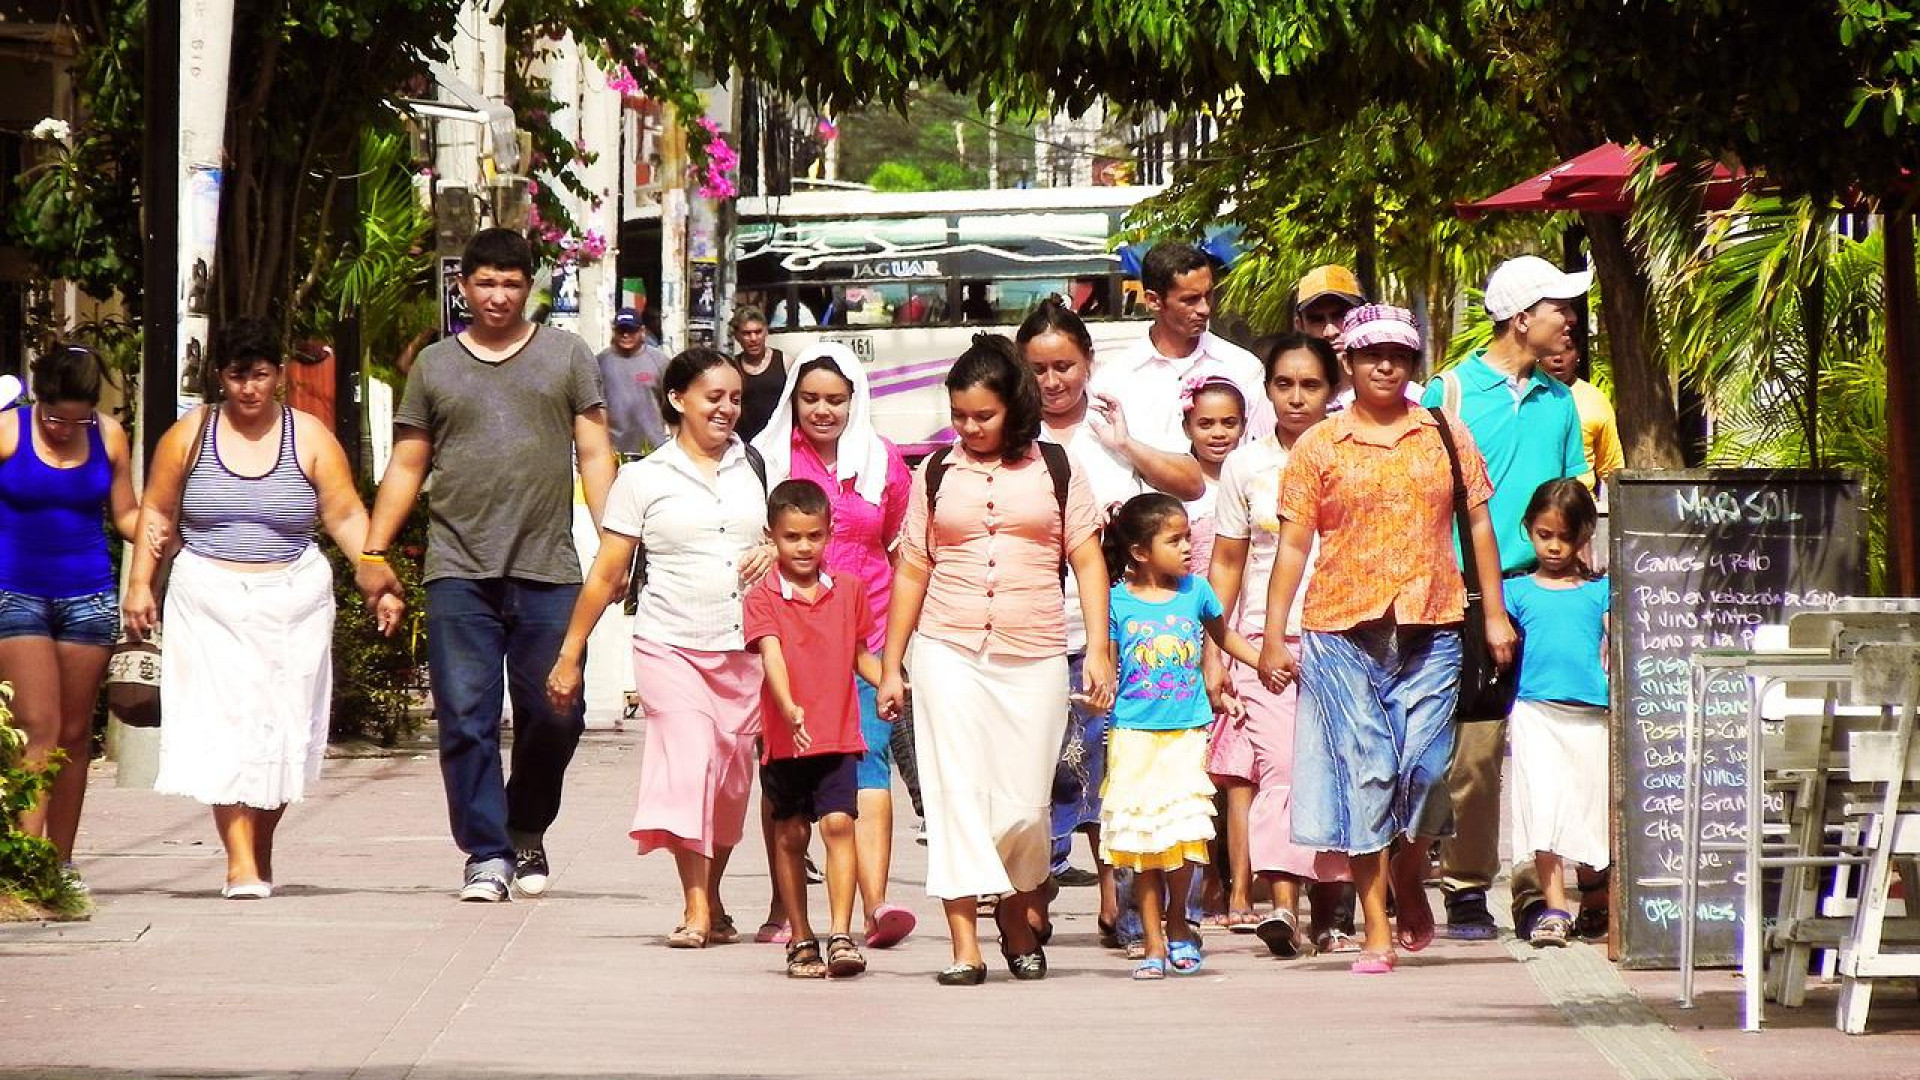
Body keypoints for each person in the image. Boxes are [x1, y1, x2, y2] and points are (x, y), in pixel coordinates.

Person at [357, 228, 617, 903]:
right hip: (458, 570)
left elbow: (593, 452)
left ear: (529, 287)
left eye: (511, 283)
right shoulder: (436, 366)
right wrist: (373, 550)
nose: (498, 296)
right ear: (463, 287)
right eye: (485, 283)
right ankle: (488, 853)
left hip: (548, 568)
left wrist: (617, 541)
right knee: (466, 715)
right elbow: (409, 462)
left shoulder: (566, 357)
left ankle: (525, 824)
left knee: (557, 712)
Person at [1258, 304, 1516, 975]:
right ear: (1348, 361)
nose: (1385, 366)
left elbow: (1479, 523)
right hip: (1342, 629)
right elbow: (1293, 544)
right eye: (1372, 354)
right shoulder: (1320, 445)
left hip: (1433, 623)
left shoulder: (1443, 432)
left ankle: (1408, 869)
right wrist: (1272, 634)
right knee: (1368, 775)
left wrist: (1492, 614)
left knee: (1429, 771)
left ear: (1412, 364)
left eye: (1398, 356)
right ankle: (1376, 926)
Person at [125, 318, 399, 898]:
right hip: (208, 594)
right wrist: (141, 585)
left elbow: (346, 514)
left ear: (278, 375)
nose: (249, 389)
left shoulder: (310, 436)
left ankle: (259, 843)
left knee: (281, 728)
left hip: (294, 598)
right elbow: (156, 512)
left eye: (260, 375)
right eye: (236, 376)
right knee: (225, 725)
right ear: (219, 377)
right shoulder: (190, 434)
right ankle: (240, 862)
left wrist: (375, 575)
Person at [876, 335, 1115, 986]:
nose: (969, 427)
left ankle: (1016, 907)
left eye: (982, 415)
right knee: (956, 797)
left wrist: (1098, 646)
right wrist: (892, 662)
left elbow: (1088, 558)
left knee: (1023, 805)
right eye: (959, 416)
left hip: (1034, 651)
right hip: (947, 651)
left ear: (1013, 408)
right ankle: (963, 944)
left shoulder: (1058, 468)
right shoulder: (937, 474)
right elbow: (913, 569)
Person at [546, 347, 774, 947]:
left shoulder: (755, 466)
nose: (726, 408)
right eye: (713, 397)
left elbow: (790, 535)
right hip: (669, 643)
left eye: (734, 398)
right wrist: (570, 653)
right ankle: (695, 907)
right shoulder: (643, 479)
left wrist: (775, 550)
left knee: (729, 781)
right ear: (678, 400)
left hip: (744, 648)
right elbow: (607, 572)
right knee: (689, 763)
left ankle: (715, 897)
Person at [1424, 254, 1591, 940]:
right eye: (1560, 307)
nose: (1571, 320)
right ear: (1522, 318)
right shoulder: (1450, 393)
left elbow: (1575, 494)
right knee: (1478, 751)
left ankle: (1534, 893)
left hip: (1547, 592)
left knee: (1548, 744)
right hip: (1465, 597)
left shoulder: (1562, 401)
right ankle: (1466, 886)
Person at [1021, 296, 1193, 936]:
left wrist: (1128, 449)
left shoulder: (1114, 427)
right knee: (1045, 773)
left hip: (1114, 633)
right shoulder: (1012, 438)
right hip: (1034, 630)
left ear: (1089, 363)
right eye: (1038, 369)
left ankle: (1117, 900)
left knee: (1111, 769)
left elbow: (1191, 483)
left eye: (1064, 365)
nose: (1052, 381)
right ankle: (1032, 898)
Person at [751, 342, 917, 950]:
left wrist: (895, 653)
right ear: (793, 400)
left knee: (867, 764)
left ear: (856, 402)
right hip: (788, 644)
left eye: (836, 400)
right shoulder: (766, 458)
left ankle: (874, 907)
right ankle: (785, 908)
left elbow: (901, 549)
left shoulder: (885, 464)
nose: (822, 411)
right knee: (788, 779)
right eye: (810, 399)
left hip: (864, 637)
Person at [1204, 334, 1353, 956]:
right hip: (1267, 644)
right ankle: (1283, 908)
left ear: (1332, 391)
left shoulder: (1354, 454)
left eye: (1311, 385)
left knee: (1342, 772)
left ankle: (1333, 915)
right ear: (1267, 389)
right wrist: (1215, 652)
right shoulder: (1246, 464)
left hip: (1349, 634)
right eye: (1284, 384)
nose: (1296, 398)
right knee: (1283, 769)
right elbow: (1227, 565)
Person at [1099, 493, 1263, 980]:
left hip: (1187, 731)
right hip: (1133, 733)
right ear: (1140, 551)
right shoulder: (1117, 600)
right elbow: (1105, 662)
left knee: (1185, 834)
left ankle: (1179, 924)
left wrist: (1264, 661)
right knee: (1144, 841)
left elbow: (1224, 636)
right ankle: (1151, 938)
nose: (1188, 547)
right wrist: (1097, 691)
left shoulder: (1198, 592)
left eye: (1188, 537)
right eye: (1175, 540)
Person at [0, 346, 139, 881]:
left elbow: (125, 513)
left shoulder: (108, 437)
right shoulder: (10, 431)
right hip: (16, 591)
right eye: (53, 415)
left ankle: (60, 861)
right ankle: (23, 861)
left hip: (88, 594)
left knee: (74, 733)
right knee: (38, 724)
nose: (62, 427)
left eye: (75, 417)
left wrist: (156, 528)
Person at [745, 479, 881, 979]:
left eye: (814, 536)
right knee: (791, 834)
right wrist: (788, 706)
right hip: (785, 739)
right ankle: (801, 936)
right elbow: (771, 654)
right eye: (792, 537)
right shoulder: (763, 598)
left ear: (829, 534)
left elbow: (861, 654)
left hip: (838, 734)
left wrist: (893, 682)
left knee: (840, 823)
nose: (804, 547)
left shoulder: (850, 591)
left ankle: (841, 934)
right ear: (772, 536)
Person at [1505, 479, 1611, 947]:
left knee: (1591, 811)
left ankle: (1597, 899)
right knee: (1543, 809)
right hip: (1535, 713)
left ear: (1584, 535)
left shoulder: (1601, 592)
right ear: (1529, 529)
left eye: (1564, 537)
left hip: (1592, 716)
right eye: (1544, 534)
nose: (1553, 545)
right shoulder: (1515, 593)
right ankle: (1554, 908)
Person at [1089, 242, 1271, 453]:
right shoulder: (1114, 380)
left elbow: (1260, 454)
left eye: (1208, 295)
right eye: (1190, 300)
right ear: (1153, 301)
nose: (1204, 309)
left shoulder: (1243, 368)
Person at [1540, 344, 1624, 496]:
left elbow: (1611, 471)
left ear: (1578, 354)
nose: (1558, 358)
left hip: (1580, 508)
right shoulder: (1524, 398)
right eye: (1550, 350)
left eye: (1567, 348)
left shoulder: (1596, 400)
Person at [598, 307, 672, 457]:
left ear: (642, 331)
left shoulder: (660, 361)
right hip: (614, 451)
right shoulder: (600, 362)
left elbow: (672, 403)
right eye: (621, 330)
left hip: (652, 450)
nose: (626, 335)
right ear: (614, 330)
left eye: (631, 330)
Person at [731, 305, 786, 441]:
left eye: (758, 332)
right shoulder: (732, 367)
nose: (753, 338)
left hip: (778, 441)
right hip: (745, 444)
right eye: (746, 333)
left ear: (766, 332)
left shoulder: (784, 361)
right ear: (737, 336)